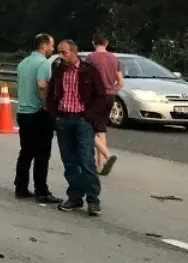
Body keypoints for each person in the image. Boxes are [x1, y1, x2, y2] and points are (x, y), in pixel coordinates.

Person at [47, 39, 105, 215]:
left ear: (74, 51)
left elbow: (101, 95)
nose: (61, 56)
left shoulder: (88, 71)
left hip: (82, 120)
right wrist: (55, 115)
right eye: (59, 52)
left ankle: (93, 199)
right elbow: (51, 95)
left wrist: (89, 116)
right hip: (64, 119)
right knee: (70, 161)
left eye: (64, 52)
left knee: (86, 160)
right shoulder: (58, 71)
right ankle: (74, 197)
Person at [14, 33, 61, 203]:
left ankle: (20, 187)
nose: (53, 49)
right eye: (51, 45)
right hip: (38, 113)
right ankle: (41, 190)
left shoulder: (23, 63)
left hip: (23, 112)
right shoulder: (43, 64)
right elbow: (42, 85)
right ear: (44, 45)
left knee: (26, 151)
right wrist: (48, 104)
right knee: (42, 153)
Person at [87, 34, 122, 176]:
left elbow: (86, 78)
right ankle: (100, 165)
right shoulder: (114, 59)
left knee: (87, 127)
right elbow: (120, 82)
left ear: (93, 43)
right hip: (110, 96)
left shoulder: (91, 58)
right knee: (101, 129)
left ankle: (107, 156)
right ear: (107, 43)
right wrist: (113, 91)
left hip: (96, 97)